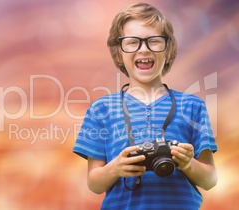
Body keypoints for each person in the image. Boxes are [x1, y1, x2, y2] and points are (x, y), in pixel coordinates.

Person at [72, 2, 218, 210]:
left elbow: (210, 180)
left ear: (168, 49)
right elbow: (94, 183)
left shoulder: (193, 106)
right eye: (132, 42)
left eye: (154, 41)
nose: (144, 48)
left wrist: (188, 163)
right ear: (118, 52)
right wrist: (117, 167)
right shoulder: (101, 109)